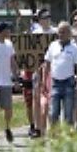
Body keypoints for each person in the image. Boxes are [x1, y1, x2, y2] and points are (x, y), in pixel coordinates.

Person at [44, 21, 77, 127]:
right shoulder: (53, 45)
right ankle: (55, 138)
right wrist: (44, 82)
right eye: (59, 32)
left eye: (63, 32)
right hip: (55, 83)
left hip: (68, 83)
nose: (61, 34)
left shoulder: (74, 48)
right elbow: (47, 63)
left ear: (69, 33)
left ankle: (68, 140)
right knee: (53, 113)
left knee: (68, 115)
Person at [29, 8, 57, 137]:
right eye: (44, 18)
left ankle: (52, 127)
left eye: (48, 17)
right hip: (37, 70)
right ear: (39, 20)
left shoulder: (55, 33)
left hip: (52, 71)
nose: (47, 20)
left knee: (50, 99)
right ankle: (38, 127)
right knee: (36, 98)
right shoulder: (34, 33)